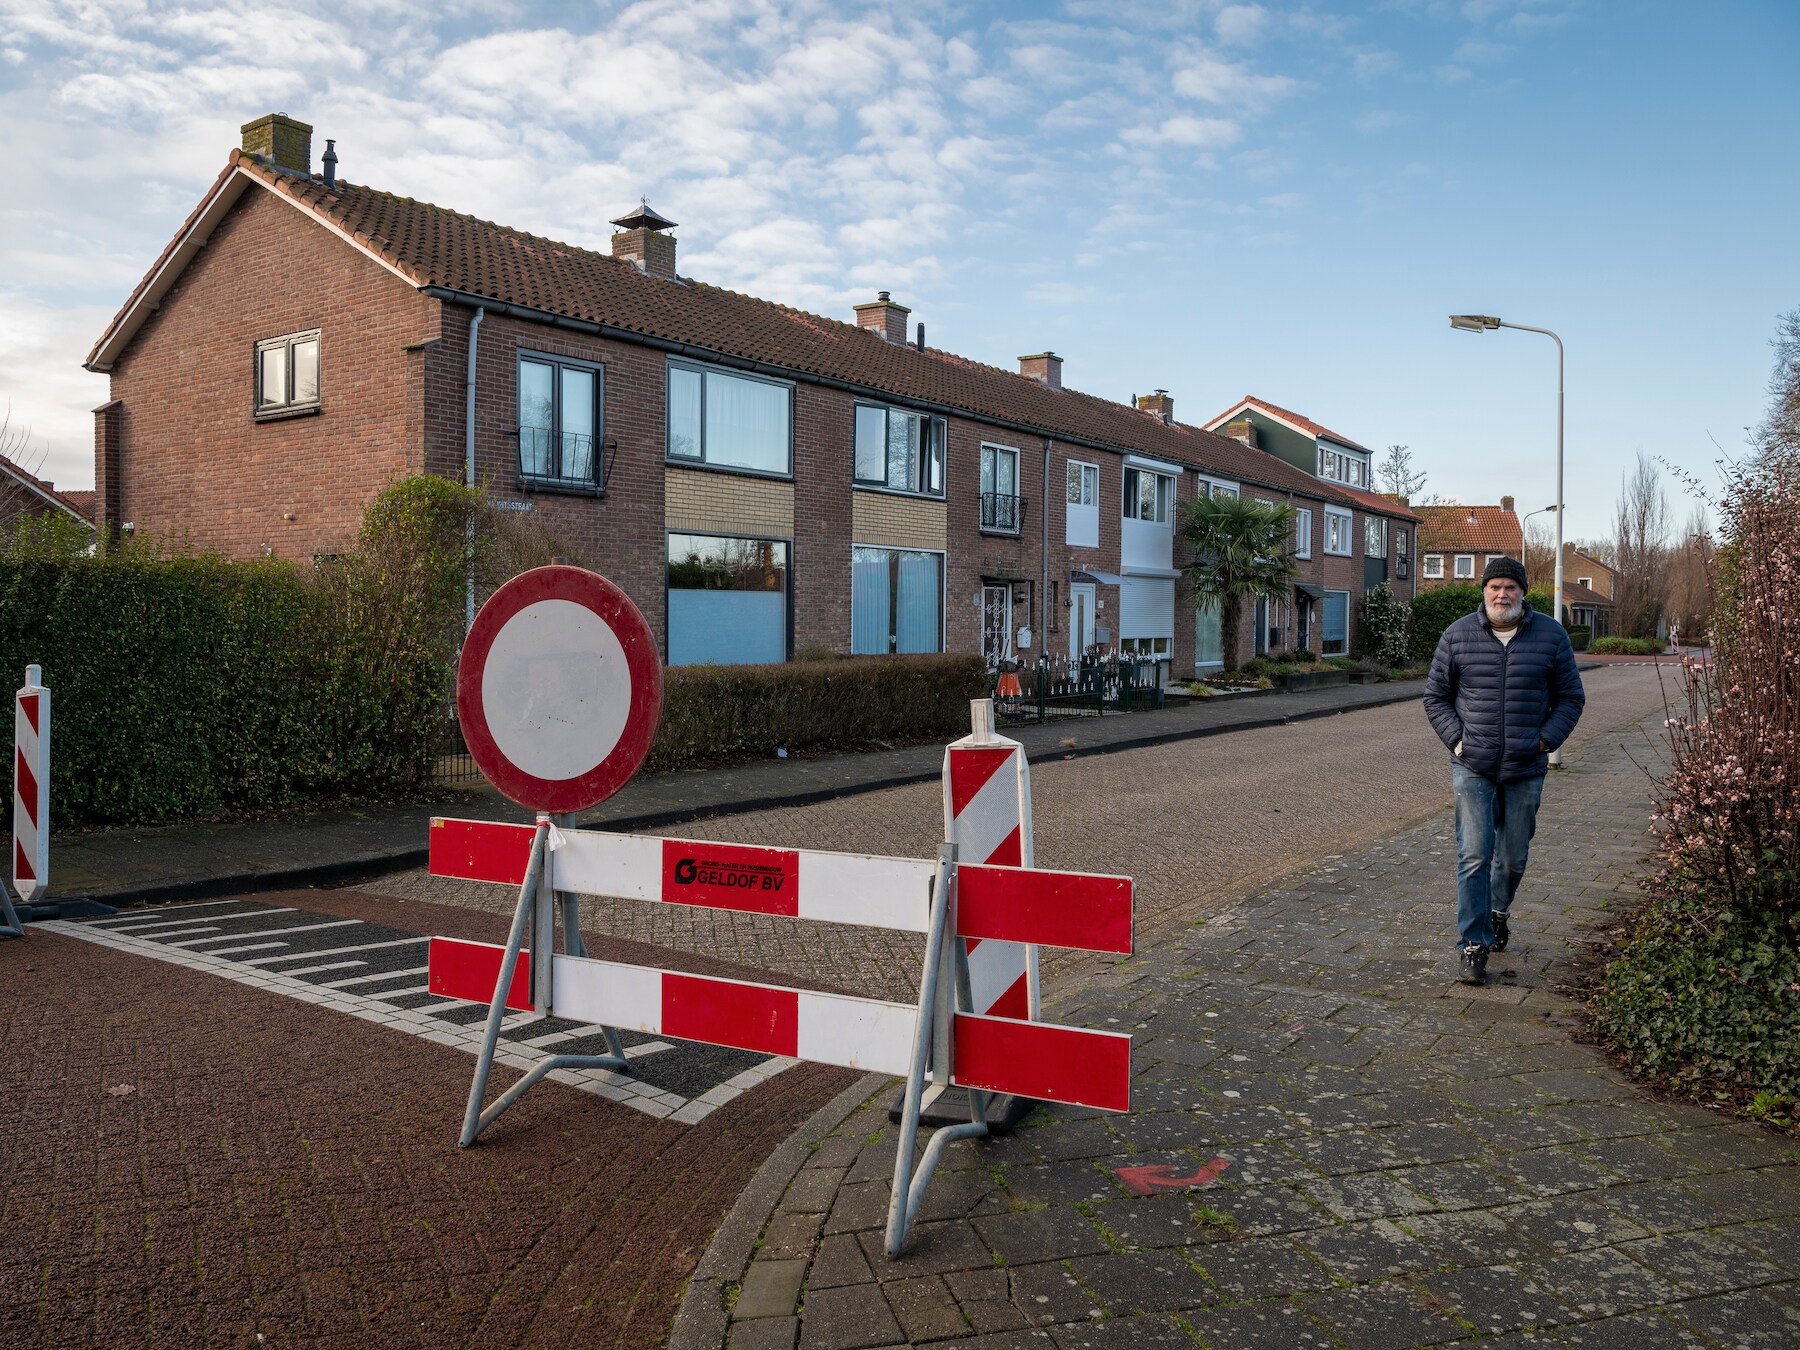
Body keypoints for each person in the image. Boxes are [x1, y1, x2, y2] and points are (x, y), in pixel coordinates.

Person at [1423, 557, 1585, 984]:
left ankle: (1498, 912)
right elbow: (1435, 697)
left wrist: (1544, 742)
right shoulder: (1457, 635)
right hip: (1472, 765)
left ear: (1522, 592)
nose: (1501, 594)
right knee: (1474, 855)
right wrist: (1458, 741)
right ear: (1484, 591)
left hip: (1526, 766)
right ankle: (1473, 946)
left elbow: (1571, 697)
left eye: (1510, 587)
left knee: (1512, 858)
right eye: (1494, 586)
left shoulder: (1551, 635)